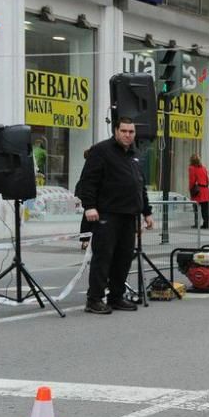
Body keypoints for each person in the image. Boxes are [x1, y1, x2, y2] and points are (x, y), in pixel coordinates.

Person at [74, 118, 154, 315]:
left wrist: (147, 212)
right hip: (107, 214)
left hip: (129, 215)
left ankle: (116, 296)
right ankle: (94, 299)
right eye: (124, 131)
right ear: (116, 131)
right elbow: (88, 181)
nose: (128, 135)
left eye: (131, 131)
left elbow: (139, 185)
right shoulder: (101, 151)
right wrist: (90, 206)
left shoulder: (134, 154)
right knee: (103, 257)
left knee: (124, 257)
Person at [188, 153, 209, 229]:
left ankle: (196, 224)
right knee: (205, 209)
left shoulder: (192, 168)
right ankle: (206, 224)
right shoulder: (204, 168)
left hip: (198, 191)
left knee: (196, 208)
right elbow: (207, 180)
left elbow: (192, 181)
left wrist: (191, 189)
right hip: (205, 190)